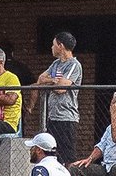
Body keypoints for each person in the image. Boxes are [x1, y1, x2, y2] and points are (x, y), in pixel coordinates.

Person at [34, 32, 82, 165]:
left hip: (66, 117)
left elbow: (61, 88)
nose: (52, 47)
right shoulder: (55, 64)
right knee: (52, 153)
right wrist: (53, 80)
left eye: (53, 44)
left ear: (60, 46)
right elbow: (41, 79)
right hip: (52, 116)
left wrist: (54, 82)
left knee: (68, 156)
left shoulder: (74, 65)